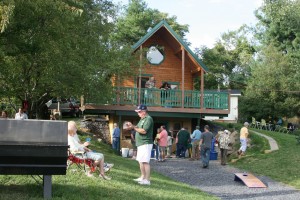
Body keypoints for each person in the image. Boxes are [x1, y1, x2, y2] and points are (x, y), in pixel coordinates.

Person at [127, 104, 153, 185]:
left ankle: (147, 180)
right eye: (137, 112)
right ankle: (142, 177)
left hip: (146, 143)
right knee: (140, 161)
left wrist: (133, 127)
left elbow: (143, 131)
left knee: (145, 162)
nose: (138, 113)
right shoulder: (142, 119)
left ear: (144, 111)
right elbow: (137, 128)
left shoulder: (148, 119)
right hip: (141, 143)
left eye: (139, 112)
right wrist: (132, 126)